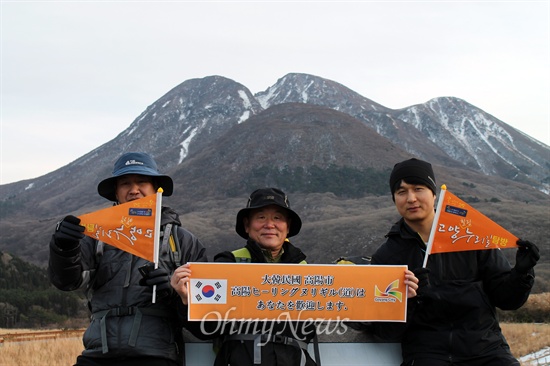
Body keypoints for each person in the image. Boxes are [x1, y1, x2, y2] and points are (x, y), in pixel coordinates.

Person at [370, 158, 540, 366]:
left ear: (433, 194)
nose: (411, 198)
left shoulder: (470, 239)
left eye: (418, 188)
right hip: (428, 356)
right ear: (394, 198)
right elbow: (382, 331)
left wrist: (522, 273)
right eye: (401, 192)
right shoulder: (387, 257)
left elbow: (507, 300)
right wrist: (409, 301)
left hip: (486, 351)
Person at [48, 152, 208, 366]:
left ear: (155, 189)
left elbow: (204, 312)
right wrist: (63, 248)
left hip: (158, 356)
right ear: (116, 192)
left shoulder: (183, 241)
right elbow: (67, 281)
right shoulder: (95, 237)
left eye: (142, 181)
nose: (134, 190)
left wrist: (172, 294)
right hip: (97, 355)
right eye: (125, 183)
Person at [203, 187, 319, 366]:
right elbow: (205, 327)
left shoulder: (307, 271)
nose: (270, 225)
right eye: (261, 217)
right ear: (247, 225)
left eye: (277, 218)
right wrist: (185, 299)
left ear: (287, 227)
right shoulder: (227, 263)